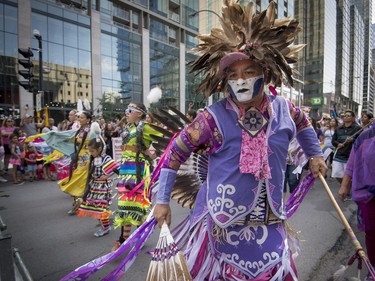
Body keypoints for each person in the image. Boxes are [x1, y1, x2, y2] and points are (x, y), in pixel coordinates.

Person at [153, 2, 327, 280]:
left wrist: (315, 155)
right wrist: (162, 201)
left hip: (271, 223)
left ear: (266, 73)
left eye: (248, 72)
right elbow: (175, 152)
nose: (241, 80)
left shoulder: (286, 109)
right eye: (232, 75)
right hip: (220, 226)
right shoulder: (212, 118)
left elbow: (304, 124)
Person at [112, 102, 161, 251]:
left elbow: (167, 139)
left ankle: (134, 236)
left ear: (139, 114)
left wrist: (154, 155)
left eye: (130, 110)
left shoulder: (145, 127)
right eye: (126, 110)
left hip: (139, 170)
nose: (126, 112)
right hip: (126, 170)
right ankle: (125, 239)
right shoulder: (128, 128)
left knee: (137, 206)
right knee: (124, 205)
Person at [338, 120, 375, 281]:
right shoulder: (366, 135)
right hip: (369, 193)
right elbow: (353, 161)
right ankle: (373, 269)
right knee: (372, 233)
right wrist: (344, 185)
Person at [76, 137, 120, 237]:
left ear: (99, 149)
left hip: (103, 187)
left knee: (101, 208)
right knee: (96, 207)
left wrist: (107, 175)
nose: (91, 153)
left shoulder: (106, 158)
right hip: (95, 186)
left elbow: (117, 168)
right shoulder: (95, 158)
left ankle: (105, 227)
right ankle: (105, 225)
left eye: (92, 151)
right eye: (90, 151)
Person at [59, 111, 92, 215]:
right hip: (80, 157)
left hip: (87, 158)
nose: (79, 119)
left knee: (80, 180)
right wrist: (59, 137)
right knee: (80, 180)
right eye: (79, 117)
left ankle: (79, 205)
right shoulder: (79, 130)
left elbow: (97, 142)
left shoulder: (92, 130)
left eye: (82, 118)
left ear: (88, 120)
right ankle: (79, 205)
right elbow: (74, 140)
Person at [331, 110, 361, 184]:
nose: (346, 117)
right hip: (339, 154)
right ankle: (344, 186)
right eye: (344, 115)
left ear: (353, 118)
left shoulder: (358, 128)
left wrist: (353, 139)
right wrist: (338, 144)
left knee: (349, 176)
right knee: (337, 175)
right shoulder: (338, 129)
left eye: (348, 115)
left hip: (351, 155)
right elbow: (333, 140)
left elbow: (362, 141)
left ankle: (347, 187)